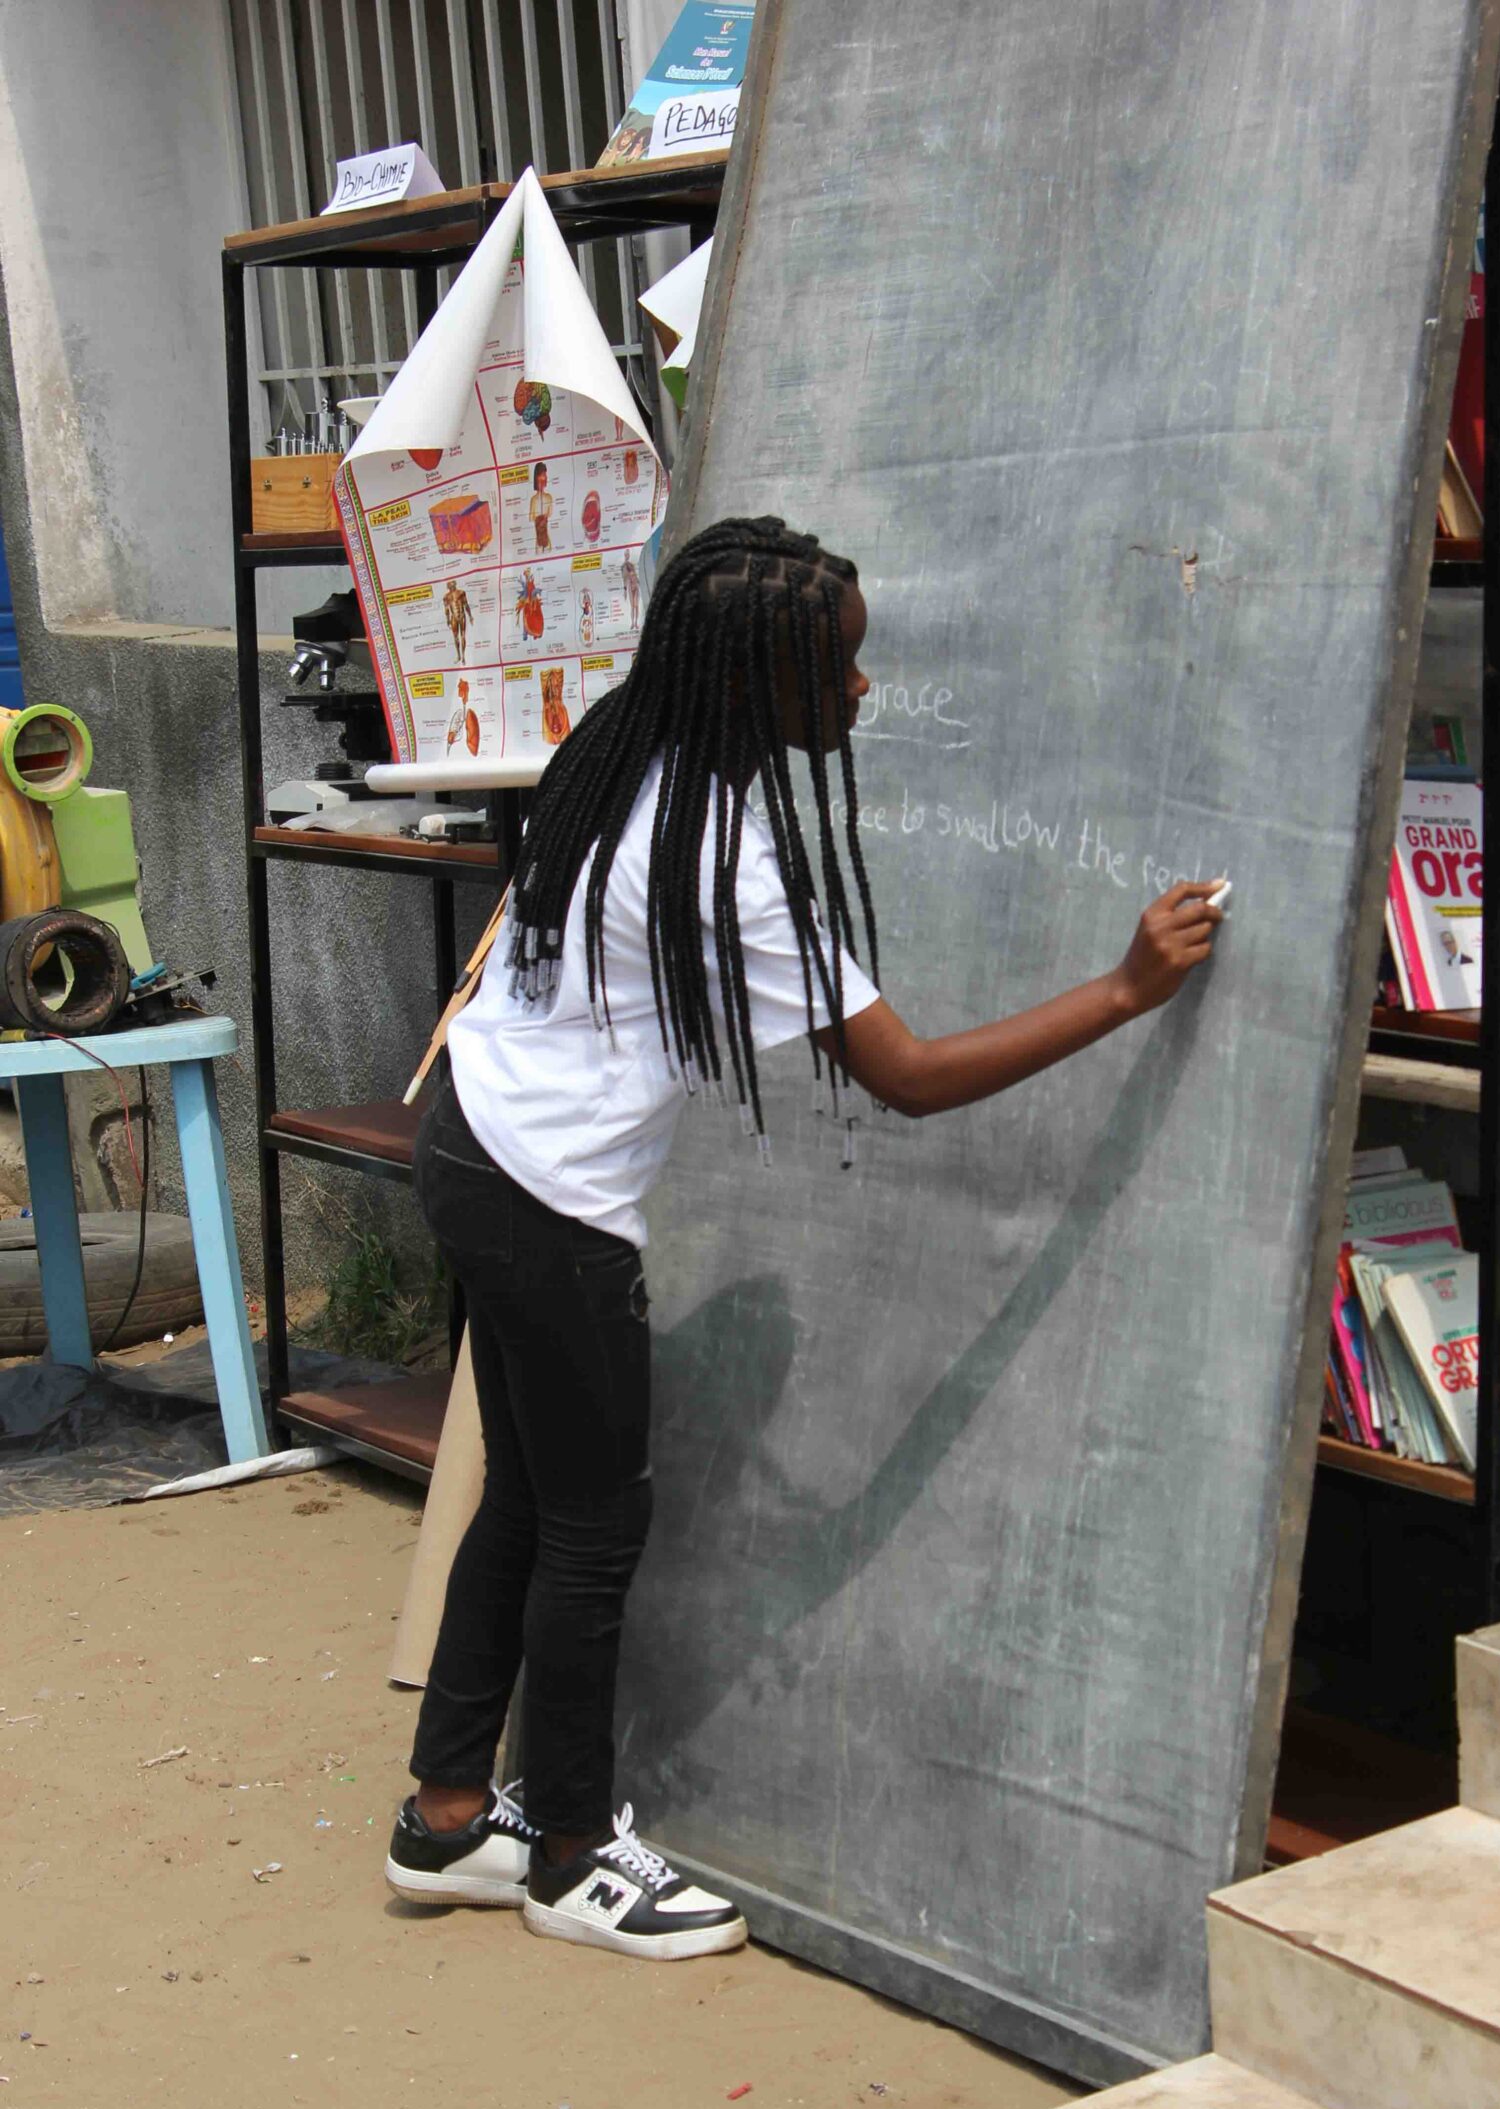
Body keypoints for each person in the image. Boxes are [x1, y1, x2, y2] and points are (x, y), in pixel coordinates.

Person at [384, 516, 1222, 1961]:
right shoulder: (725, 855)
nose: (861, 692)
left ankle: (447, 1815)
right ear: (750, 681)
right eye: (836, 670)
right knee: (591, 1530)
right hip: (549, 1202)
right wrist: (1123, 989)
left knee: (527, 1497)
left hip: (471, 1134)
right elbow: (909, 1077)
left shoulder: (620, 747)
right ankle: (571, 1860)